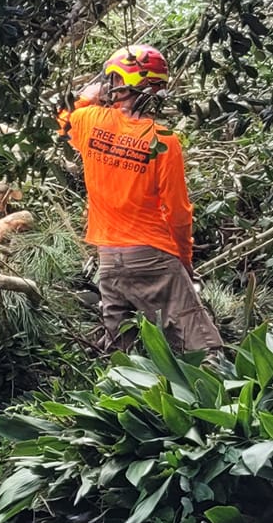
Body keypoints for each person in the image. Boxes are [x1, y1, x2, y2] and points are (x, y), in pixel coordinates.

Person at [59, 44, 223, 353]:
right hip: (153, 254)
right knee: (203, 348)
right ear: (155, 90)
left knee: (123, 354)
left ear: (116, 82)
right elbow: (177, 212)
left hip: (108, 257)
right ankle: (223, 399)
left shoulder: (90, 121)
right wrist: (185, 260)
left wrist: (87, 96)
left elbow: (62, 118)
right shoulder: (163, 141)